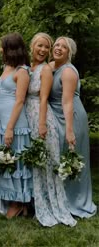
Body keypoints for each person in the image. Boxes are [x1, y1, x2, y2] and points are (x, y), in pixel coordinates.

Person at [26, 33, 77, 227]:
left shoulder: (46, 69)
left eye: (46, 48)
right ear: (32, 46)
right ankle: (33, 201)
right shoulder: (27, 66)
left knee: (46, 164)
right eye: (40, 46)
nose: (43, 50)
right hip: (28, 117)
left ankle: (49, 205)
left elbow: (43, 98)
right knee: (35, 162)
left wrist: (41, 124)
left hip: (42, 117)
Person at [49, 36, 97, 218]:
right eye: (57, 45)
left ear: (70, 52)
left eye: (64, 47)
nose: (59, 48)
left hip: (71, 117)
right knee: (59, 158)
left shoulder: (68, 71)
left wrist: (69, 131)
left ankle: (75, 201)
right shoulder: (52, 66)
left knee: (71, 158)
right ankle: (59, 198)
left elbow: (67, 102)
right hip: (56, 117)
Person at [0, 33, 32, 219]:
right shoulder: (6, 67)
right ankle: (13, 200)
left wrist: (10, 128)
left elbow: (19, 101)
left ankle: (19, 202)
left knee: (17, 163)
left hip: (15, 122)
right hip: (2, 121)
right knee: (8, 162)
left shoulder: (22, 71)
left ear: (10, 48)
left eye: (2, 46)